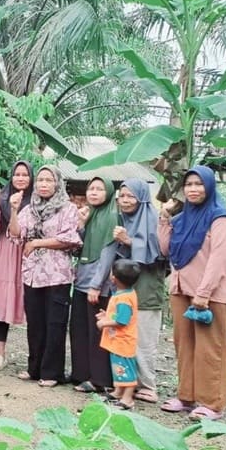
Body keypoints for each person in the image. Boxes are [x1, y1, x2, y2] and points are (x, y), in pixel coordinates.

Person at [157, 166, 226, 420]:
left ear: (210, 187)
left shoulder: (221, 219)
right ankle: (187, 397)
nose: (193, 189)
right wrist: (164, 218)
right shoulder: (181, 219)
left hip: (211, 294)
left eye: (199, 184)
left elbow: (219, 259)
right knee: (185, 345)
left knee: (211, 348)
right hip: (181, 290)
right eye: (189, 184)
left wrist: (204, 293)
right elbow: (166, 250)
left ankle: (212, 403)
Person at [9, 165, 81, 386]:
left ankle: (52, 373)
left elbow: (70, 239)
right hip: (32, 273)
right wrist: (13, 209)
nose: (43, 184)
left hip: (57, 275)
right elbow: (15, 234)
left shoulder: (68, 209)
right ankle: (34, 369)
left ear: (57, 183)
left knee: (55, 323)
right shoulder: (29, 209)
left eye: (48, 180)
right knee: (36, 323)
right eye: (40, 180)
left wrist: (38, 242)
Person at [113, 178, 166, 403]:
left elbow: (159, 252)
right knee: (125, 338)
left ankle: (148, 385)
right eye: (122, 196)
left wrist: (129, 241)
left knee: (144, 339)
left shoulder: (153, 219)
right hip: (125, 290)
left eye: (130, 196)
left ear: (142, 197)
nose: (125, 200)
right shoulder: (122, 219)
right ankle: (128, 384)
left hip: (147, 288)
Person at [0, 160, 34, 370]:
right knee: (1, 300)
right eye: (17, 174)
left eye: (25, 174)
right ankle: (0, 353)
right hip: (5, 251)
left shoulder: (38, 200)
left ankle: (35, 356)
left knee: (33, 302)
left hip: (30, 252)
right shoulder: (3, 197)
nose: (21, 178)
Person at [69, 175, 117, 393]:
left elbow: (108, 253)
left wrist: (97, 285)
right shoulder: (90, 214)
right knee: (79, 329)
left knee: (97, 331)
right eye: (91, 189)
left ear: (108, 193)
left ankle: (99, 379)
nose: (94, 193)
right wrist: (81, 224)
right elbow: (77, 248)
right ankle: (81, 373)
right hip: (81, 280)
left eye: (99, 189)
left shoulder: (112, 217)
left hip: (97, 284)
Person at [96, 260, 143, 410]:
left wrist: (105, 323)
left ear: (113, 278)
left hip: (123, 341)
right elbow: (119, 315)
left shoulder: (123, 298)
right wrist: (107, 315)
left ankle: (127, 398)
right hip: (117, 341)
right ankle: (118, 392)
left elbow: (122, 320)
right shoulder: (125, 293)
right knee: (118, 367)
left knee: (126, 369)